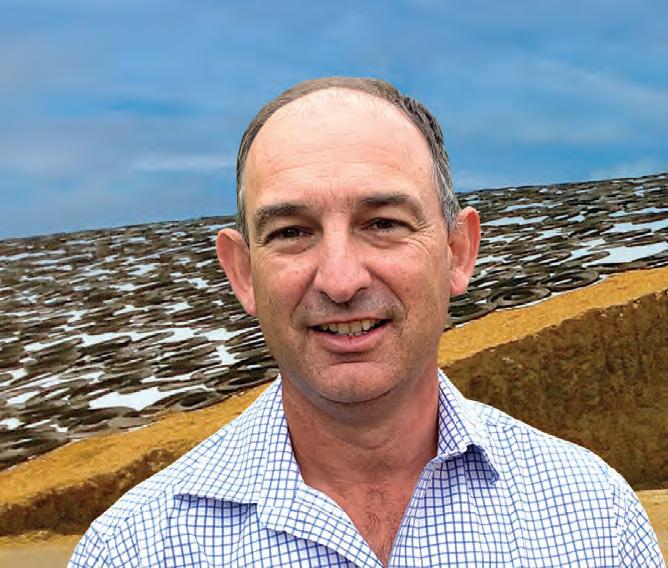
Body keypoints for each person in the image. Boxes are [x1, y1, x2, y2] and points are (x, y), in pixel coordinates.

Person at [69, 77, 663, 567]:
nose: (340, 279)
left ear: (458, 252)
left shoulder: (594, 519)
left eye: (382, 223)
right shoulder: (134, 549)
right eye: (292, 232)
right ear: (243, 273)